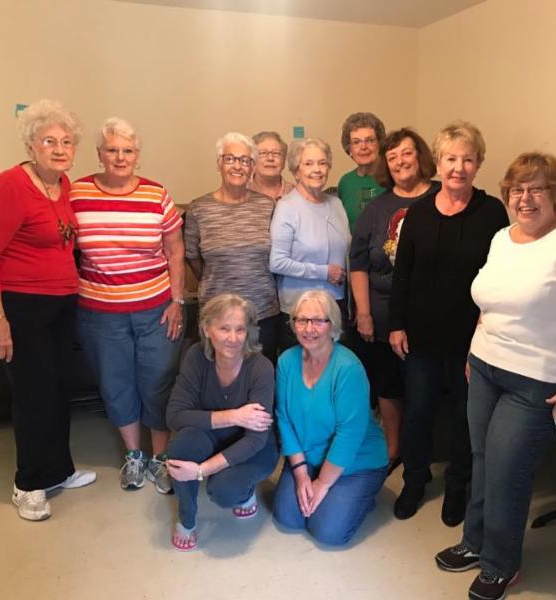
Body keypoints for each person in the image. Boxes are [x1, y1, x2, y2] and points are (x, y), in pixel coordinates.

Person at [434, 153, 556, 600]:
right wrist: (475, 349)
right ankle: (474, 542)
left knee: (507, 468)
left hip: (536, 379)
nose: (525, 198)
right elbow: (490, 301)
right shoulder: (502, 238)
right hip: (486, 365)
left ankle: (501, 564)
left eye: (537, 189)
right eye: (517, 189)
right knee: (482, 458)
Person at [0, 98, 96, 521]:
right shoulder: (10, 185)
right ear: (31, 145)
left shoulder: (64, 186)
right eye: (49, 141)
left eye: (66, 142)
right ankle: (28, 484)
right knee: (33, 395)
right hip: (20, 307)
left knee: (58, 389)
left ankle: (59, 470)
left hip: (60, 305)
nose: (59, 149)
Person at [388, 121, 509, 525]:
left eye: (467, 159)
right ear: (437, 163)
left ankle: (458, 486)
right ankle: (414, 481)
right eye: (451, 159)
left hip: (472, 339)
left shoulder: (492, 213)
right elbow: (402, 273)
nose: (458, 167)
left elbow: (500, 276)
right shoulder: (418, 213)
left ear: (479, 164)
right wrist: (396, 324)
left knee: (464, 417)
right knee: (418, 412)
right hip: (420, 337)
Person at [70, 117, 185, 494]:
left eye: (128, 151)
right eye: (112, 150)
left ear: (137, 155)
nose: (120, 157)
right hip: (100, 314)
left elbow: (175, 249)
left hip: (157, 310)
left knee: (157, 383)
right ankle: (134, 455)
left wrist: (177, 300)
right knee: (116, 384)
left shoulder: (156, 194)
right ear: (99, 154)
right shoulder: (76, 193)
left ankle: (161, 457)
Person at [349, 127, 439, 472]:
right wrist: (364, 313)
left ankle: (421, 454)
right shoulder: (377, 208)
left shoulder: (442, 197)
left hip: (428, 315)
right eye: (392, 157)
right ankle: (393, 448)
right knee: (388, 385)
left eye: (406, 153)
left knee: (424, 389)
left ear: (420, 156)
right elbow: (358, 262)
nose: (400, 161)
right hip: (383, 313)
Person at [273, 290, 388, 545]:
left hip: (356, 461)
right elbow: (284, 418)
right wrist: (301, 474)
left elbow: (349, 435)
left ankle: (363, 494)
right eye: (302, 320)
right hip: (309, 457)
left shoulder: (348, 368)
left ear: (332, 325)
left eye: (318, 320)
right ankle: (332, 493)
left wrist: (322, 484)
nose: (309, 329)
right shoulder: (286, 362)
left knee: (327, 532)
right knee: (288, 517)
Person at [166, 294, 279, 551]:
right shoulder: (196, 356)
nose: (233, 338)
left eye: (240, 329)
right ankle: (187, 519)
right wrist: (234, 416)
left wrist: (200, 471)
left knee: (225, 491)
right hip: (212, 435)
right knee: (181, 446)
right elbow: (174, 416)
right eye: (224, 328)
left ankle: (246, 491)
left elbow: (255, 439)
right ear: (207, 329)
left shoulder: (261, 367)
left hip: (255, 447)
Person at [185, 132, 280, 364]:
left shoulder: (268, 206)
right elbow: (193, 258)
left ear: (252, 167)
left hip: (262, 313)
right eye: (230, 159)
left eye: (245, 160)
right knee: (218, 378)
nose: (237, 166)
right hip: (216, 316)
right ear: (219, 164)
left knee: (260, 377)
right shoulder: (199, 209)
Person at [270, 138, 350, 344]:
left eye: (322, 163)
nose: (317, 169)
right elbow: (277, 262)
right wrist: (324, 272)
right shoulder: (287, 207)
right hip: (301, 313)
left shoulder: (336, 204)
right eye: (308, 163)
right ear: (296, 171)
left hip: (334, 307)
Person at [337, 112, 387, 232]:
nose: (363, 147)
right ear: (349, 149)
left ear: (379, 144)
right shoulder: (345, 182)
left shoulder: (393, 177)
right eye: (356, 142)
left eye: (370, 140)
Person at [248, 131, 295, 201]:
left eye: (276, 153)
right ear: (252, 160)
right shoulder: (241, 190)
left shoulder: (295, 193)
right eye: (263, 153)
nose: (270, 158)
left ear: (284, 161)